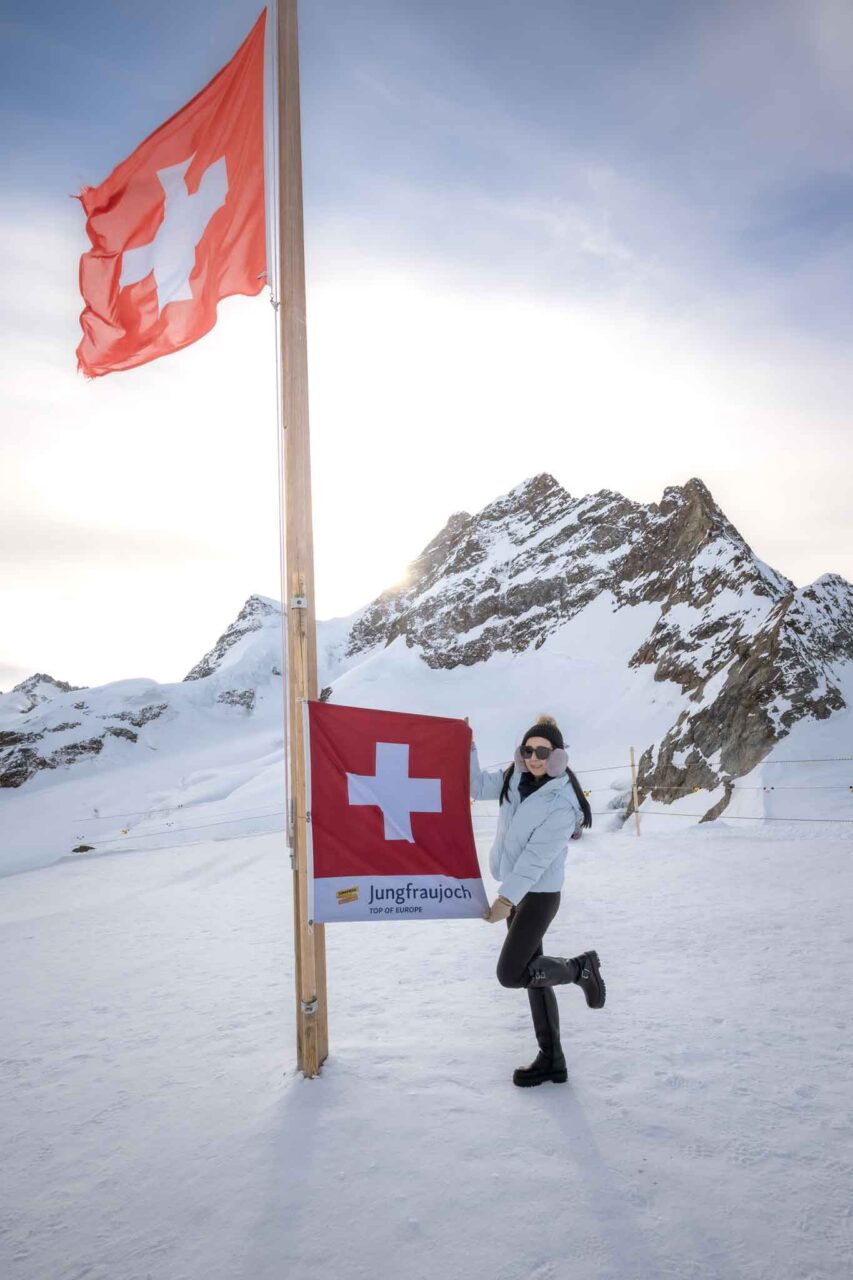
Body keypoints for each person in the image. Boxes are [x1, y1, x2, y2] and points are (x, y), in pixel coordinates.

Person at [470, 715, 605, 1088]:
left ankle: (581, 968)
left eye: (542, 752)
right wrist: (468, 746)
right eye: (528, 750)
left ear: (557, 756)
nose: (533, 758)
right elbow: (475, 785)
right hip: (517, 889)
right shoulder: (514, 778)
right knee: (534, 976)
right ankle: (553, 1060)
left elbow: (535, 860)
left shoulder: (561, 803)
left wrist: (505, 900)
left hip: (539, 895)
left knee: (511, 973)